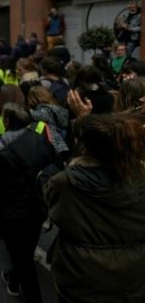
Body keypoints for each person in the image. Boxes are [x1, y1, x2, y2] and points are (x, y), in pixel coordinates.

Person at [44, 113, 145, 302]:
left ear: (84, 147)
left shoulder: (66, 182)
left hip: (82, 278)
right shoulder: (139, 176)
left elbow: (51, 202)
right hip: (132, 276)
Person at [0, 103, 54, 303]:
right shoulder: (41, 140)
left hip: (11, 210)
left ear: (7, 121)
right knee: (26, 250)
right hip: (37, 206)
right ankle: (14, 280)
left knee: (21, 257)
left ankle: (33, 297)